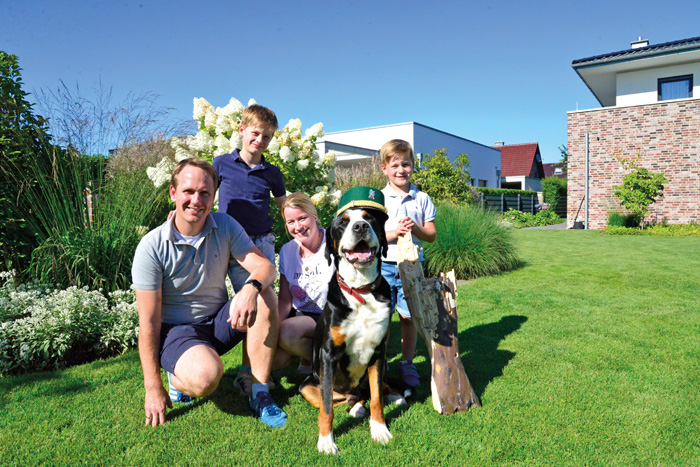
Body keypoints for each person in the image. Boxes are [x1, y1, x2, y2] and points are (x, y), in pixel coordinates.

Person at [132, 158, 287, 429]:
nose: (196, 200)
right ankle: (177, 376)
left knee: (264, 296)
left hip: (218, 323)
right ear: (173, 193)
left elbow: (264, 267)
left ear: (213, 196)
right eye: (188, 191)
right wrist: (152, 387)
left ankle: (259, 391)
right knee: (206, 378)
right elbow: (148, 323)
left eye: (204, 193)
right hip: (178, 332)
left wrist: (250, 290)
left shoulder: (224, 225)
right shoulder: (152, 246)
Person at [212, 104, 286, 394]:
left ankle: (248, 370)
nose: (260, 140)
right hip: (231, 244)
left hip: (262, 241)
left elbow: (283, 207)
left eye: (267, 137)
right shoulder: (221, 164)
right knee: (246, 304)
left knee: (264, 303)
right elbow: (205, 199)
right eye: (255, 133)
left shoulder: (272, 172)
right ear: (241, 130)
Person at [379, 139, 437, 390]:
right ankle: (380, 362)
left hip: (412, 265)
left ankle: (407, 362)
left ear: (413, 166)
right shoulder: (379, 199)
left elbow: (432, 235)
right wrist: (394, 231)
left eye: (406, 164)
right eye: (395, 165)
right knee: (382, 317)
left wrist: (416, 228)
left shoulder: (421, 198)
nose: (401, 170)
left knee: (408, 316)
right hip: (383, 266)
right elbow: (374, 236)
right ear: (384, 169)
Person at [273, 193, 335, 373]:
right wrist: (271, 328)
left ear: (314, 215)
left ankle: (332, 365)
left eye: (302, 218)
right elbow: (285, 298)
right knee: (274, 359)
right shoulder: (287, 251)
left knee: (287, 334)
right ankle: (312, 359)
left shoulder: (334, 243)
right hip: (302, 315)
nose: (297, 227)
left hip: (332, 316)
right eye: (290, 222)